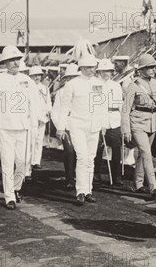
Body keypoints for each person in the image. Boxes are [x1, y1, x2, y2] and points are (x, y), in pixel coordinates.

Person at [0, 45, 40, 210]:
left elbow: (34, 105)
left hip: (23, 127)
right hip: (4, 127)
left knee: (23, 162)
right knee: (7, 163)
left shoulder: (27, 80)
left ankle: (16, 188)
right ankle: (9, 197)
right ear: (5, 63)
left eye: (18, 59)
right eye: (12, 60)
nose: (16, 63)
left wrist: (35, 127)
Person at [57, 55, 106, 205]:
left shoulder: (99, 83)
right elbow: (64, 107)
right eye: (89, 67)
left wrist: (103, 124)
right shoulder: (72, 84)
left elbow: (101, 106)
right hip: (77, 126)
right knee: (82, 157)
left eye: (93, 67)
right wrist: (60, 127)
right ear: (82, 68)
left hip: (94, 126)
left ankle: (88, 190)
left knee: (90, 158)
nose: (92, 70)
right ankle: (80, 191)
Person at [121, 54, 156, 198]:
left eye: (154, 67)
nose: (153, 70)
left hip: (152, 123)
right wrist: (126, 130)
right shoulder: (133, 85)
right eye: (149, 68)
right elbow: (126, 109)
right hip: (137, 123)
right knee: (147, 153)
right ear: (141, 70)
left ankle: (138, 183)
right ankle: (154, 186)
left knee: (143, 154)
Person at [94, 59, 124, 186]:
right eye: (104, 71)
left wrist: (123, 120)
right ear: (99, 71)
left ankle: (116, 175)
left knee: (117, 148)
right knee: (98, 148)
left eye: (109, 71)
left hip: (115, 119)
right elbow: (94, 106)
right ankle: (95, 173)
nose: (107, 73)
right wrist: (100, 123)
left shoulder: (116, 85)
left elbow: (120, 104)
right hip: (101, 119)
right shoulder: (95, 85)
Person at [51, 64, 80, 189]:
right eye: (71, 77)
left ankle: (79, 177)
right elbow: (55, 112)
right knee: (69, 151)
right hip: (65, 125)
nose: (73, 80)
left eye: (75, 77)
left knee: (80, 152)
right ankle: (69, 179)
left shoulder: (82, 91)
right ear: (67, 79)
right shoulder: (61, 93)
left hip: (79, 125)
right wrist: (59, 127)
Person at [28, 66, 52, 172]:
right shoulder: (27, 87)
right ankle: (29, 161)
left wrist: (49, 111)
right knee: (31, 140)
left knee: (39, 140)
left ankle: (36, 161)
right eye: (34, 75)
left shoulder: (44, 88)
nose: (37, 77)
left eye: (39, 75)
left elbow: (48, 102)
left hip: (42, 117)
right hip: (31, 118)